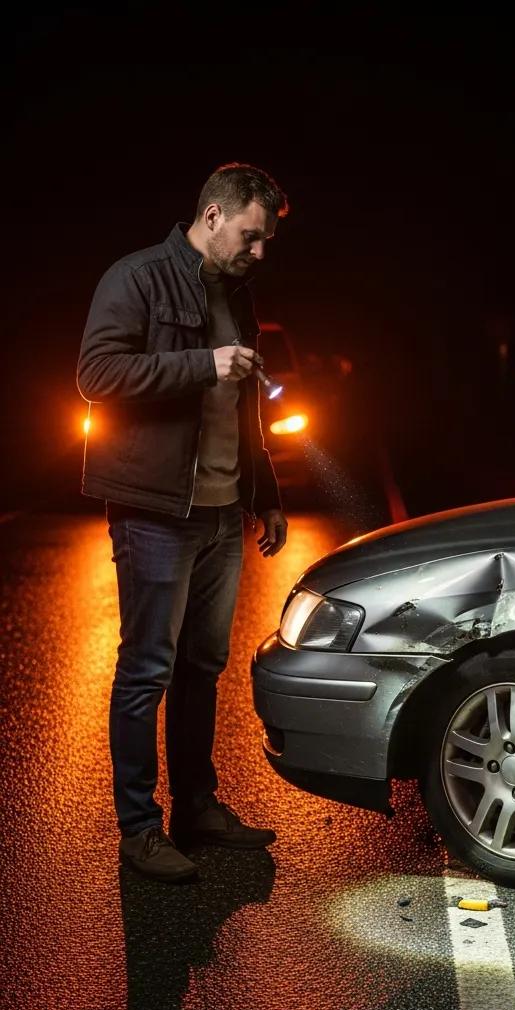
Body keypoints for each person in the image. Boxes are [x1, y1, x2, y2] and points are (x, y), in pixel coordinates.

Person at [77, 163, 290, 881]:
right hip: (158, 514)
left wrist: (266, 492)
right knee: (146, 671)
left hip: (223, 514)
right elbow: (97, 375)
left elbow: (245, 405)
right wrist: (202, 362)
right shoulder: (136, 278)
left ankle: (195, 807)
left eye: (265, 242)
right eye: (251, 237)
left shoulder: (239, 294)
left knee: (202, 668)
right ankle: (139, 830)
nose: (259, 253)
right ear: (211, 216)